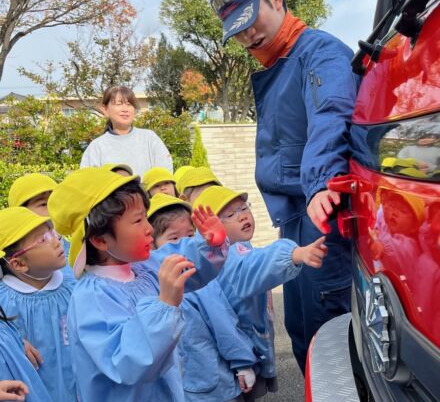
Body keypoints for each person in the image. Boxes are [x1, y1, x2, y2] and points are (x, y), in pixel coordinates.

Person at [210, 0, 358, 373]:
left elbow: (332, 115)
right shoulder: (280, 62)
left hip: (320, 210)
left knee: (326, 335)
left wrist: (320, 183)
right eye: (236, 31)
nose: (246, 36)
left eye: (249, 20)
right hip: (294, 216)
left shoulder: (319, 52)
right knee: (299, 327)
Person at [47, 167, 228, 401]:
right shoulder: (91, 298)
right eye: (138, 220)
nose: (149, 228)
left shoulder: (142, 267)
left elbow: (181, 258)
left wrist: (210, 245)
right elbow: (125, 361)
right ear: (100, 239)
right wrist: (164, 305)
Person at [194, 186, 327, 399]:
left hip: (242, 350)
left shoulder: (236, 248)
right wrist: (295, 254)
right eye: (231, 214)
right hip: (240, 354)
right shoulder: (230, 256)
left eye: (243, 208)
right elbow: (253, 266)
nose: (243, 216)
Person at [148, 193, 258, 401]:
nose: (184, 245)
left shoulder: (199, 283)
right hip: (182, 386)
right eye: (173, 239)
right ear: (153, 247)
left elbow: (223, 321)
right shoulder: (150, 283)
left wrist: (242, 362)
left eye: (190, 236)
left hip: (213, 387)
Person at [0, 207, 75, 401]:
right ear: (18, 264)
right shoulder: (4, 304)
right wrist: (14, 341)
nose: (56, 241)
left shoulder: (74, 285)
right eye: (43, 239)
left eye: (52, 231)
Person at [80, 85, 173, 176]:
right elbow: (88, 182)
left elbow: (165, 174)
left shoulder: (149, 138)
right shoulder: (96, 147)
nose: (125, 109)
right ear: (105, 109)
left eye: (129, 104)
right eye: (119, 104)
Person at [8, 173, 71, 257]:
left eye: (55, 202)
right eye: (44, 204)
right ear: (20, 212)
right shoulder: (15, 256)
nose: (54, 208)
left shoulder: (72, 249)